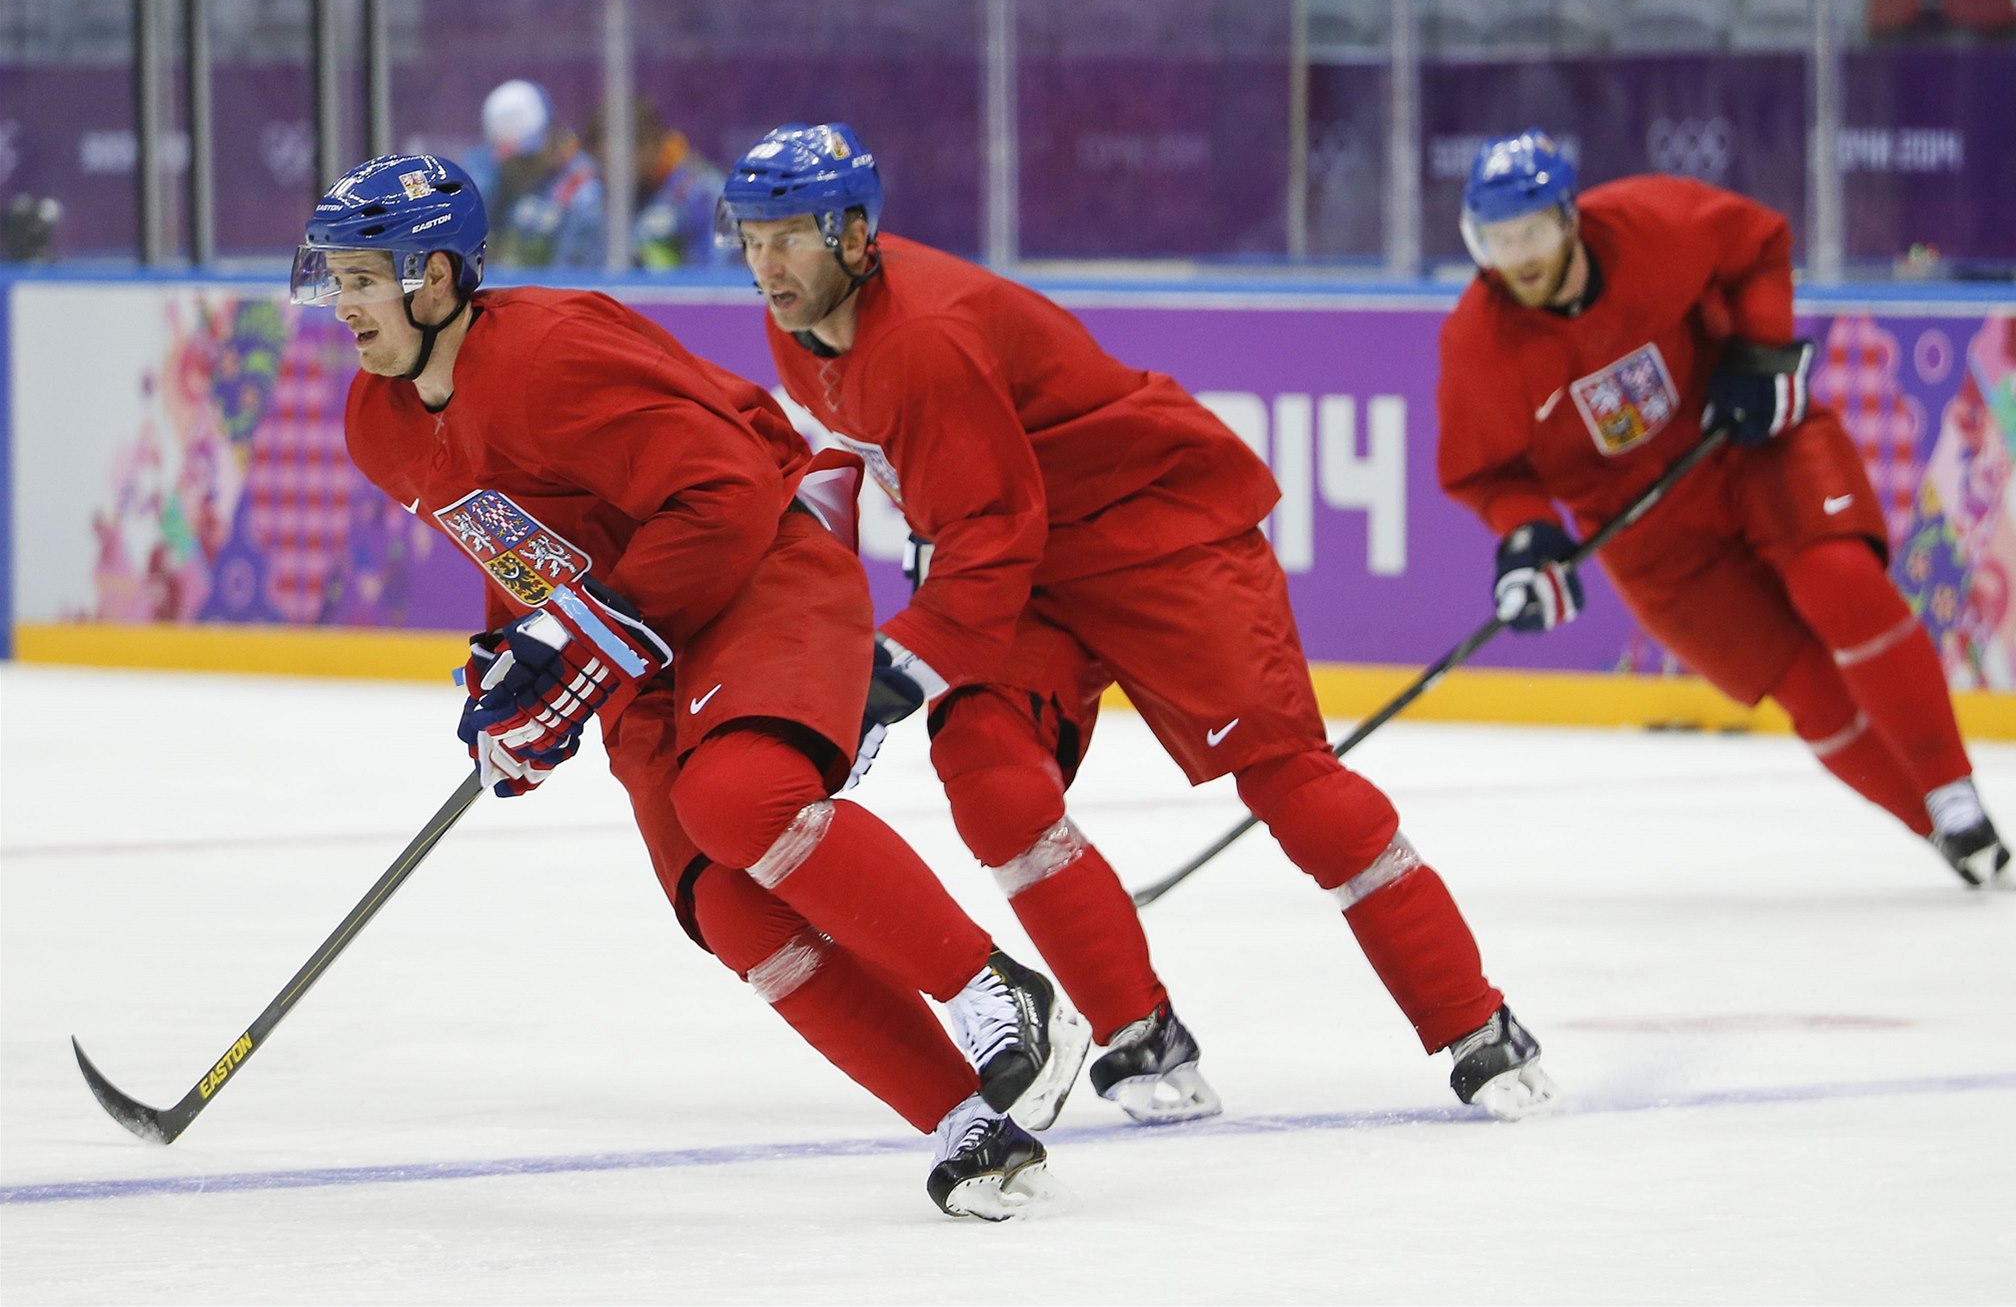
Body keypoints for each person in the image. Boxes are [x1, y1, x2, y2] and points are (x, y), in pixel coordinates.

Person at [289, 153, 1091, 1221]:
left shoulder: (549, 354)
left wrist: (579, 634)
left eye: (360, 279)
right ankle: (970, 1126)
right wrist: (512, 678)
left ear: (434, 277)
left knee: (737, 797)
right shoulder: (377, 423)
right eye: (334, 279)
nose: (341, 304)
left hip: (756, 573)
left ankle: (992, 986)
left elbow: (726, 493)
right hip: (645, 638)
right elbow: (518, 550)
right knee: (724, 905)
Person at [719, 122, 1558, 1123]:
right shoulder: (798, 324)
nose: (768, 264)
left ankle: (1474, 1020)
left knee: (1294, 787)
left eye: (790, 237)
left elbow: (990, 527)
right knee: (990, 778)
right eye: (752, 238)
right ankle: (1137, 1032)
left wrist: (900, 667)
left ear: (855, 235)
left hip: (1159, 534)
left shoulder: (924, 336)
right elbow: (920, 486)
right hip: (1033, 571)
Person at [1436, 128, 2013, 888]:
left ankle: (1952, 788)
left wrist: (1759, 352)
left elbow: (1759, 246)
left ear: (1571, 216)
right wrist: (1530, 536)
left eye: (1533, 232)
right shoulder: (1479, 341)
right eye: (1497, 240)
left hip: (1745, 442)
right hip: (1647, 531)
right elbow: (1486, 472)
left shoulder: (1652, 222)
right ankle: (1943, 829)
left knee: (1838, 579)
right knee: (1807, 688)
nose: (1519, 257)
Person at [462, 79, 605, 269]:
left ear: (551, 134)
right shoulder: (491, 179)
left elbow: (573, 273)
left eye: (528, 157)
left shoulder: (582, 191)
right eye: (514, 158)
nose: (520, 166)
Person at [583, 98, 731, 270]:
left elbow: (718, 272)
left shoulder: (701, 193)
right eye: (602, 163)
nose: (609, 174)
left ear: (650, 145)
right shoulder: (591, 195)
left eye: (617, 164)